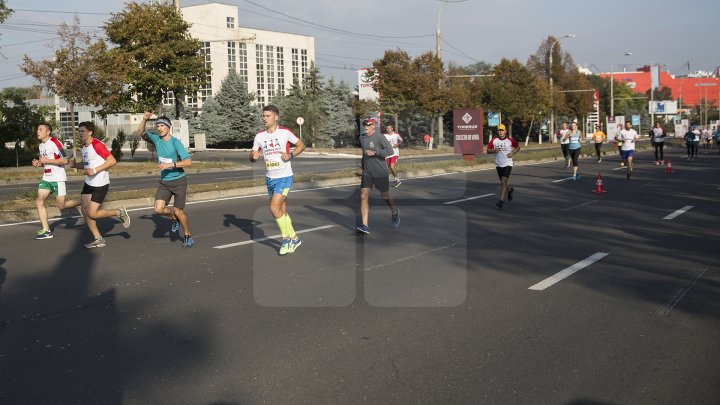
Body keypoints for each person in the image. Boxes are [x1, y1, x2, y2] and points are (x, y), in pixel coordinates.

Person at [250, 104, 306, 254]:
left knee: (273, 208)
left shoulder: (284, 133)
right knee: (281, 210)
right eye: (263, 116)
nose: (264, 118)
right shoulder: (260, 136)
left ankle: (286, 239)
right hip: (270, 178)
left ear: (276, 117)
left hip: (285, 177)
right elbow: (253, 154)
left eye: (268, 116)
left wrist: (291, 155)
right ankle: (295, 238)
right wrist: (253, 156)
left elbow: (301, 145)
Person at [70, 121, 130, 248]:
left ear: (90, 132)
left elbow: (112, 160)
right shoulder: (85, 146)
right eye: (79, 131)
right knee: (84, 210)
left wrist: (95, 170)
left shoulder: (97, 144)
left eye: (82, 131)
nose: (80, 133)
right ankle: (98, 238)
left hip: (100, 184)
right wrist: (76, 165)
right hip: (89, 183)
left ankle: (119, 212)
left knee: (92, 213)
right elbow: (87, 165)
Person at [138, 113, 194, 247]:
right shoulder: (157, 140)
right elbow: (141, 132)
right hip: (165, 182)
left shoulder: (176, 143)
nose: (159, 128)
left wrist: (172, 164)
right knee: (158, 210)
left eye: (162, 125)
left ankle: (187, 234)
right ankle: (173, 218)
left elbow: (188, 162)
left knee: (179, 211)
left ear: (168, 127)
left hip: (179, 181)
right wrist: (145, 119)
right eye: (158, 126)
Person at [32, 122, 81, 239]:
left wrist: (46, 161)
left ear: (48, 132)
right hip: (46, 178)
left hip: (58, 177)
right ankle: (46, 230)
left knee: (61, 206)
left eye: (40, 129)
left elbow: (65, 161)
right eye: (37, 130)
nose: (37, 132)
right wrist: (39, 163)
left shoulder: (55, 142)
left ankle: (84, 201)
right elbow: (46, 162)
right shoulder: (41, 146)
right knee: (39, 201)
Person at [356, 117, 399, 234]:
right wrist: (362, 163)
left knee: (385, 196)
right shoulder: (362, 138)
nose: (365, 126)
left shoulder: (380, 137)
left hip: (380, 172)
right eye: (364, 124)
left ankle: (394, 212)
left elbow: (390, 151)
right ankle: (365, 226)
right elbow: (364, 153)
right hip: (367, 172)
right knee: (363, 196)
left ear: (373, 126)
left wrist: (375, 152)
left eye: (368, 124)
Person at [487, 124, 520, 208]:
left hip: (508, 163)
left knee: (503, 181)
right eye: (499, 130)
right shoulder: (494, 140)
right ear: (498, 131)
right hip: (498, 164)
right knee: (503, 182)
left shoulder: (510, 140)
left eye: (502, 130)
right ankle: (509, 190)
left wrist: (512, 153)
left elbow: (518, 147)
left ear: (505, 131)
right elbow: (488, 150)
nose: (501, 132)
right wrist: (494, 150)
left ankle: (501, 201)